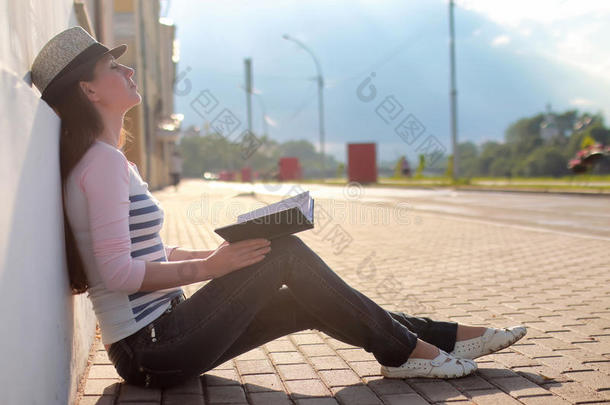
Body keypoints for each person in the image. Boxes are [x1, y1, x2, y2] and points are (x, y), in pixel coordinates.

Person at [31, 26, 527, 390]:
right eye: (114, 67)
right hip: (151, 349)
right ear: (89, 90)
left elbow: (150, 250)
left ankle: (445, 338)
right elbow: (118, 273)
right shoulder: (102, 166)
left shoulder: (107, 162)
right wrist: (209, 267)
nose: (129, 69)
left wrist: (219, 254)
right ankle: (412, 352)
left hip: (161, 339)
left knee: (301, 300)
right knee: (284, 253)